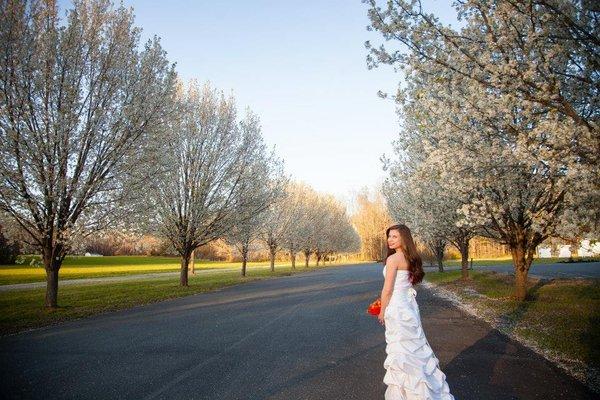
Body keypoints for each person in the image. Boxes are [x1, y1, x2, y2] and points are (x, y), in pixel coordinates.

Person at [379, 224, 454, 400]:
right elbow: (407, 285)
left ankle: (407, 394)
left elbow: (388, 290)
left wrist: (382, 310)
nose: (390, 240)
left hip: (397, 309)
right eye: (389, 236)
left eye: (395, 236)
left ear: (404, 238)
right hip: (408, 307)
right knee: (415, 350)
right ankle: (422, 389)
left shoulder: (393, 259)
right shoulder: (411, 258)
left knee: (401, 352)